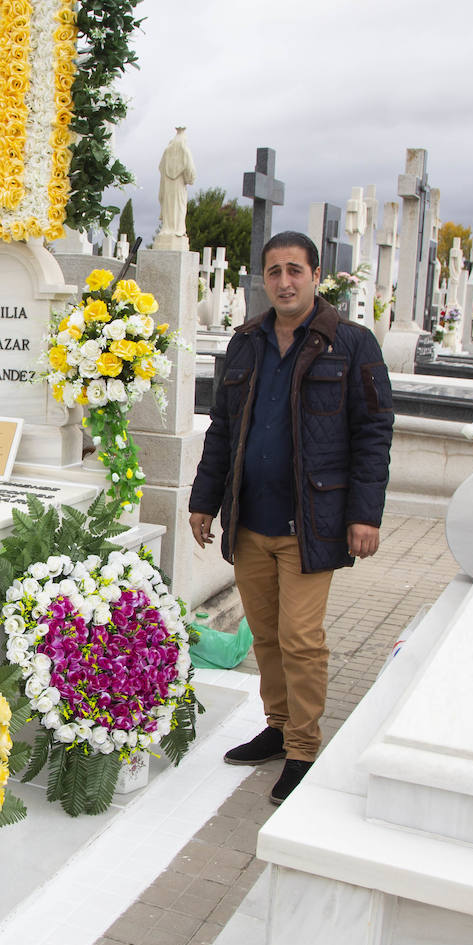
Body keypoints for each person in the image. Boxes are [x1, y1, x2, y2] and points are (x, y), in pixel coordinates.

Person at [189, 230, 393, 805]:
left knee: (302, 639)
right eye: (274, 271)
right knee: (269, 637)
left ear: (314, 275)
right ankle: (277, 726)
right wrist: (204, 501)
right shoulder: (247, 342)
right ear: (264, 278)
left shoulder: (352, 345)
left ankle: (304, 747)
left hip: (312, 521)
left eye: (294, 270)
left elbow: (374, 433)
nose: (284, 281)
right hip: (250, 519)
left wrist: (364, 514)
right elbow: (224, 431)